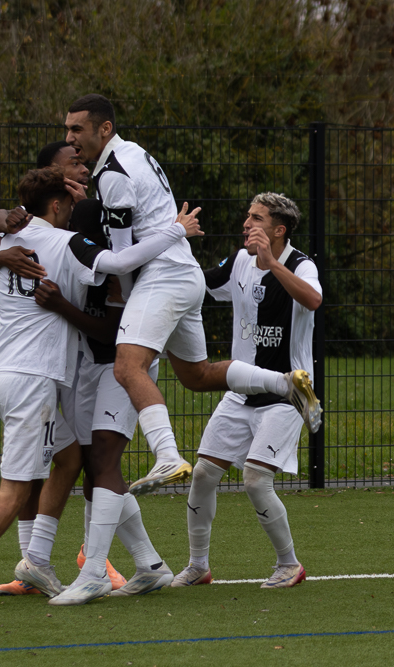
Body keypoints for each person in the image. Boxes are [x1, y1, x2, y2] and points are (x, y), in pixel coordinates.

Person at [0, 167, 199, 605]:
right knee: (16, 489)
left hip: (5, 373)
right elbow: (115, 262)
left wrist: (2, 232)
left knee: (74, 456)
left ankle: (39, 561)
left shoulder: (10, 241)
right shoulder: (63, 242)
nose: (74, 211)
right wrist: (175, 231)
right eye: (69, 203)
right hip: (33, 380)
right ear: (56, 205)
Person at [64, 94, 322, 497]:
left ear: (105, 129)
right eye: (67, 129)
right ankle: (285, 383)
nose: (70, 137)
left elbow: (120, 259)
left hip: (161, 276)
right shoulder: (135, 154)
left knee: (127, 367)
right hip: (183, 274)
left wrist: (129, 300)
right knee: (196, 375)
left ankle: (167, 455)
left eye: (76, 129)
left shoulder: (112, 175)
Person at [0, 141, 125, 597]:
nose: (81, 167)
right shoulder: (35, 226)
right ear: (54, 180)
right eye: (72, 163)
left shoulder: (92, 209)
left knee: (75, 458)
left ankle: (42, 563)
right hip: (38, 370)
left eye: (83, 161)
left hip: (62, 365)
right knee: (29, 478)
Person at [172, 193, 321, 590]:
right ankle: (197, 566)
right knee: (203, 474)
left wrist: (272, 264)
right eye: (247, 216)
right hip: (239, 393)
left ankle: (289, 564)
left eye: (256, 218)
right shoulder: (238, 260)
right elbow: (198, 285)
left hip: (288, 394)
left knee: (255, 480)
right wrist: (171, 242)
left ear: (278, 230)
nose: (246, 224)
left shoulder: (300, 264)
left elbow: (314, 299)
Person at [38, 200, 180, 604]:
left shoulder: (118, 263)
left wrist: (61, 306)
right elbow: (2, 225)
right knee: (94, 470)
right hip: (89, 369)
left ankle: (94, 572)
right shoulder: (68, 248)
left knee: (104, 461)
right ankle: (150, 565)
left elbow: (110, 331)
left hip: (120, 368)